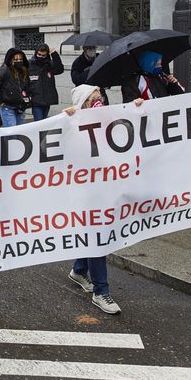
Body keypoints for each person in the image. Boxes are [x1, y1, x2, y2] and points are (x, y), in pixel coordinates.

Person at [63, 85, 142, 314]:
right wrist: (65, 120)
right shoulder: (73, 124)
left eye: (100, 97)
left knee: (95, 236)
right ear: (83, 104)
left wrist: (137, 109)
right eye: (93, 98)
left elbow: (132, 125)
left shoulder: (110, 120)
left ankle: (79, 269)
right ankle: (101, 291)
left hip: (107, 188)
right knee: (97, 238)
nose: (99, 101)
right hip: (85, 192)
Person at [0, 48, 32, 127]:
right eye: (16, 59)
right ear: (10, 60)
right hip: (8, 107)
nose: (19, 61)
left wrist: (28, 98)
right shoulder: (4, 71)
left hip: (21, 106)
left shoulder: (24, 71)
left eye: (20, 59)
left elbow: (28, 86)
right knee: (11, 133)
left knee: (20, 131)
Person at [28, 43, 64, 121]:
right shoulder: (30, 64)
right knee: (39, 122)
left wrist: (54, 55)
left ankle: (41, 134)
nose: (40, 57)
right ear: (36, 53)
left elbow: (60, 69)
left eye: (43, 55)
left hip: (47, 99)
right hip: (36, 99)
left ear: (47, 55)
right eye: (39, 54)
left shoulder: (49, 64)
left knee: (44, 122)